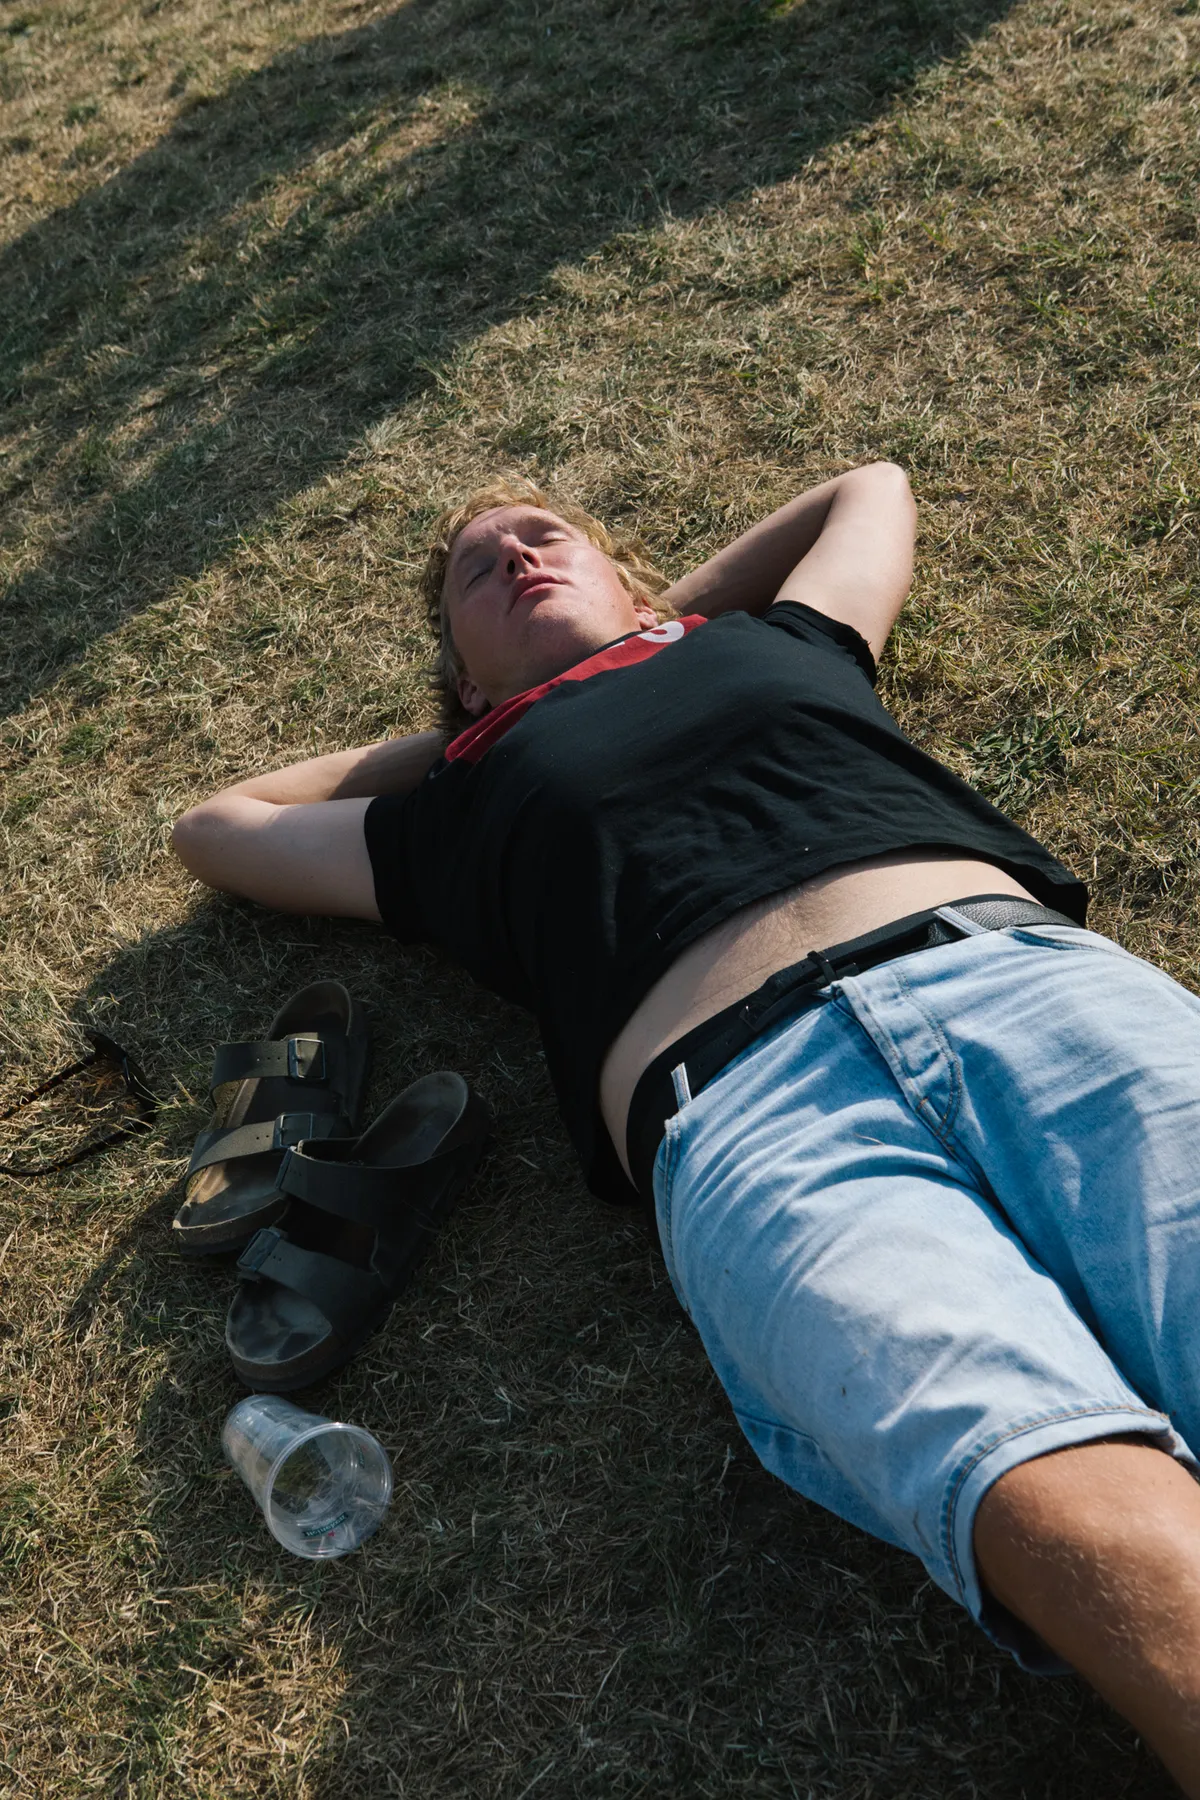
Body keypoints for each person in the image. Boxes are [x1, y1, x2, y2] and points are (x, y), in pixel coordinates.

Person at [173, 463, 1200, 1794]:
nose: (518, 557)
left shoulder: (779, 640)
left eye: (546, 538)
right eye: (479, 572)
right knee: (1022, 1467)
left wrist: (652, 630)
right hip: (751, 1116)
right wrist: (482, 731)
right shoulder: (447, 817)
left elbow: (868, 488)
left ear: (634, 578)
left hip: (1017, 984)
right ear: (458, 680)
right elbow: (217, 825)